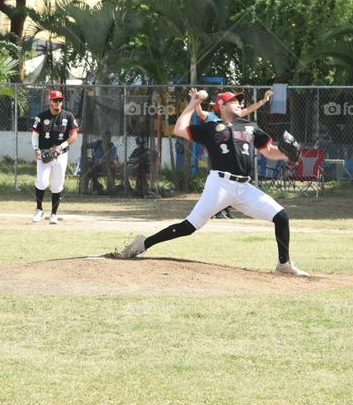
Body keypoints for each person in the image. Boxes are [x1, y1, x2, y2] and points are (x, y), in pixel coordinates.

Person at [119, 89, 308, 276]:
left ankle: (284, 264)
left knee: (281, 216)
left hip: (244, 187)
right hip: (220, 185)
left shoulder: (250, 126)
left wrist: (285, 154)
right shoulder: (210, 128)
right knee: (190, 226)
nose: (240, 103)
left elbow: (269, 151)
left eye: (240, 101)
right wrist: (193, 103)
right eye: (234, 101)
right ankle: (143, 243)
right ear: (221, 105)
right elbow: (179, 129)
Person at [193, 89, 273, 219]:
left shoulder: (235, 118)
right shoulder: (212, 117)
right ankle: (216, 211)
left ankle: (225, 209)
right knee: (221, 182)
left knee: (232, 180)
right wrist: (197, 102)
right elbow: (200, 113)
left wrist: (263, 101)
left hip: (232, 156)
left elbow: (249, 109)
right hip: (218, 156)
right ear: (221, 106)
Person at [31, 89, 79, 224]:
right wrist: (36, 149)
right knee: (41, 181)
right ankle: (39, 210)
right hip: (44, 154)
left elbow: (74, 135)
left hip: (61, 155)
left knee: (57, 185)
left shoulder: (68, 116)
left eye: (60, 101)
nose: (58, 103)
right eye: (55, 100)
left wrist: (61, 146)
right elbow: (35, 135)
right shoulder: (41, 117)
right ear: (50, 102)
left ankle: (53, 214)